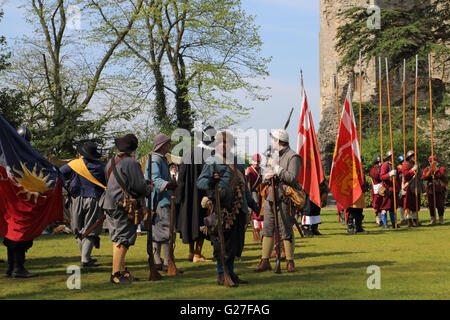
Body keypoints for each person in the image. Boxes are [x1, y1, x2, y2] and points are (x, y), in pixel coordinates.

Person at [197, 131, 259, 286]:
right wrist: (211, 182)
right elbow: (200, 182)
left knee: (235, 245)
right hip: (222, 210)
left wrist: (253, 205)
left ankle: (230, 273)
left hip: (239, 209)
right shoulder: (212, 162)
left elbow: (244, 188)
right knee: (222, 245)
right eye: (220, 142)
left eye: (227, 142)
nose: (223, 145)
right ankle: (222, 274)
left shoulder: (237, 162)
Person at [100, 133, 152, 285]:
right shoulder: (131, 163)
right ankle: (116, 274)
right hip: (122, 205)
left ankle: (122, 270)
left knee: (118, 238)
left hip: (109, 203)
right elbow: (139, 187)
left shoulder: (111, 162)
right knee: (122, 239)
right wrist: (148, 187)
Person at [254, 129, 302, 273]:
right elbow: (263, 176)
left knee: (286, 229)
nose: (271, 142)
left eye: (273, 140)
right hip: (270, 198)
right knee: (267, 229)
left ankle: (289, 261)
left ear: (279, 141)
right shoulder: (272, 156)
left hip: (285, 198)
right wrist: (266, 175)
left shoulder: (293, 157)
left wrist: (276, 167)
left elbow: (292, 178)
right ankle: (265, 260)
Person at [60, 142, 106, 267]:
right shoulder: (101, 166)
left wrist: (67, 185)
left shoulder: (73, 165)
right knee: (91, 229)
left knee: (78, 230)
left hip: (76, 199)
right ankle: (85, 259)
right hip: (94, 199)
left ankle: (85, 258)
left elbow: (59, 174)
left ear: (81, 154)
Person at [176, 126, 216, 263]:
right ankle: (197, 254)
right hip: (202, 195)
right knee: (201, 224)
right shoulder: (210, 155)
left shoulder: (187, 152)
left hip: (187, 195)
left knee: (190, 222)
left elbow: (181, 176)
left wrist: (179, 196)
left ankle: (191, 252)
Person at [3, 126, 38, 278]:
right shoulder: (27, 155)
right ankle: (18, 268)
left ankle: (12, 267)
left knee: (12, 232)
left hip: (8, 202)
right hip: (20, 201)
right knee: (20, 234)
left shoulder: (4, 153)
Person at [146, 133, 181, 273]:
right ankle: (166, 263)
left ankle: (158, 262)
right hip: (159, 201)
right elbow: (154, 179)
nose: (170, 146)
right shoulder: (156, 159)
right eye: (168, 143)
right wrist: (169, 185)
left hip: (159, 200)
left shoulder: (160, 158)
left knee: (158, 233)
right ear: (162, 145)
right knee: (166, 232)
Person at [422, 155, 447, 225]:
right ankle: (433, 219)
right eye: (430, 161)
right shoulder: (427, 169)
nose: (431, 163)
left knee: (440, 205)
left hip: (439, 188)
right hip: (430, 189)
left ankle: (441, 218)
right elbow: (424, 177)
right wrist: (430, 171)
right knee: (431, 205)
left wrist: (435, 169)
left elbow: (440, 176)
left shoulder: (441, 168)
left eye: (432, 161)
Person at [379, 150, 401, 229]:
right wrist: (389, 174)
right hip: (388, 189)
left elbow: (398, 179)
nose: (394, 157)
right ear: (389, 157)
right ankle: (385, 223)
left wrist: (399, 188)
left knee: (393, 208)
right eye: (392, 156)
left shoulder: (394, 165)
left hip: (395, 189)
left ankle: (393, 223)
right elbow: (381, 177)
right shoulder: (385, 165)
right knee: (385, 207)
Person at [245, 153, 263, 242]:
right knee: (254, 215)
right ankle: (256, 235)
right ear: (252, 162)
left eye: (258, 162)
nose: (256, 163)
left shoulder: (262, 170)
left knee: (260, 213)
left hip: (260, 195)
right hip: (250, 194)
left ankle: (261, 235)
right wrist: (246, 175)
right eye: (255, 161)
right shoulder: (249, 170)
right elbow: (244, 181)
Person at [401, 151, 420, 227]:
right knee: (408, 204)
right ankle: (409, 220)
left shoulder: (414, 164)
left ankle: (415, 220)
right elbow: (406, 176)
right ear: (409, 157)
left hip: (415, 186)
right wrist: (412, 170)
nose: (414, 157)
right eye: (413, 156)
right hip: (409, 186)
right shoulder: (406, 165)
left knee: (416, 204)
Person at [369, 155, 383, 226]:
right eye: (380, 162)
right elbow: (377, 176)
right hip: (376, 190)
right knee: (377, 206)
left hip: (382, 189)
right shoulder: (373, 170)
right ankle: (378, 220)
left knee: (383, 205)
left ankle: (382, 220)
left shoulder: (382, 168)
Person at [397, 154, 407, 225]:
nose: (404, 162)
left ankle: (408, 218)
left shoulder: (407, 167)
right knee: (400, 204)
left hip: (406, 187)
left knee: (406, 203)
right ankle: (402, 218)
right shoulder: (398, 168)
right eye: (403, 161)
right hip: (400, 187)